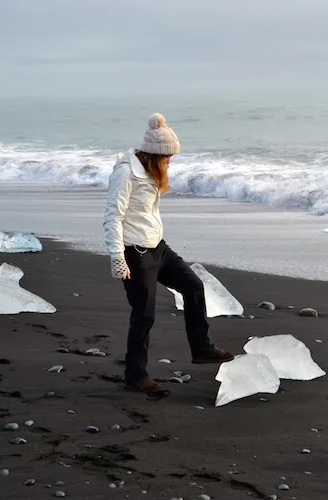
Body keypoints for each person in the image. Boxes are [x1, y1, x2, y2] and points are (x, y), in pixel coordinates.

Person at [103, 113, 234, 398]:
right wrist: (117, 257)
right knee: (144, 314)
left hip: (158, 248)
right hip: (134, 253)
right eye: (167, 157)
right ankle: (135, 376)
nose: (170, 162)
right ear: (154, 154)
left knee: (194, 286)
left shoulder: (150, 171)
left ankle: (202, 348)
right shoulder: (126, 173)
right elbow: (113, 216)